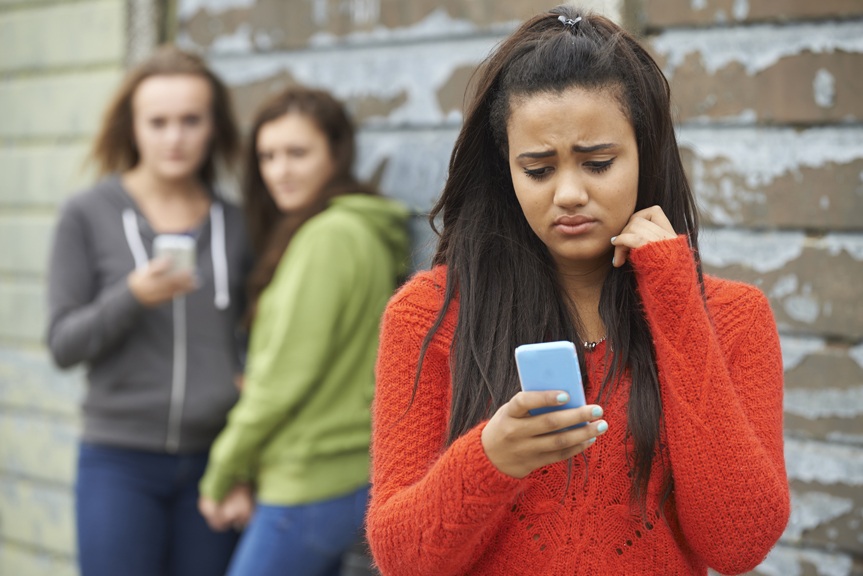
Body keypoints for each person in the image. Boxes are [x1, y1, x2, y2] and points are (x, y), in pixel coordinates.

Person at [367, 6, 790, 576]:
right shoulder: (429, 316)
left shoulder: (732, 317)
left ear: (646, 152)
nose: (569, 192)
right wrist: (489, 461)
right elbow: (401, 558)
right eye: (538, 170)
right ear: (506, 170)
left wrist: (675, 300)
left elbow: (738, 544)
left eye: (598, 163)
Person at [46, 46, 252, 576]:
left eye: (190, 120)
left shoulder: (237, 221)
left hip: (214, 460)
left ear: (213, 126)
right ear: (132, 127)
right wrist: (130, 297)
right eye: (157, 122)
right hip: (119, 460)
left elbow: (255, 335)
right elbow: (63, 343)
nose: (174, 137)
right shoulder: (87, 214)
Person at [197, 87, 410, 576]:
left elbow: (280, 382)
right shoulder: (355, 228)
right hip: (341, 471)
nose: (280, 171)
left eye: (297, 153)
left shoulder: (329, 237)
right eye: (268, 156)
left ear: (336, 154)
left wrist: (221, 474)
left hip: (310, 480)